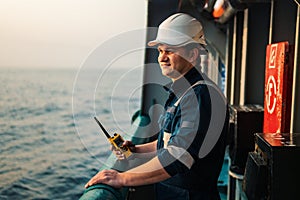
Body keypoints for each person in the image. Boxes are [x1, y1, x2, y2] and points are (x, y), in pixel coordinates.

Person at [84, 13, 229, 200]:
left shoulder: (200, 95)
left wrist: (122, 179)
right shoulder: (184, 92)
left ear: (192, 55)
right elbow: (169, 142)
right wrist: (136, 149)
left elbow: (178, 156)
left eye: (169, 50)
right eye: (160, 51)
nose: (162, 58)